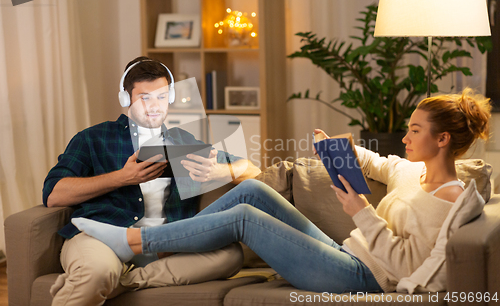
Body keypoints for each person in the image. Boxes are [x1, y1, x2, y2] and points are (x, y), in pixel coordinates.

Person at [71, 88, 491, 294]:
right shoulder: (409, 172)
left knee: (244, 219)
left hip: (364, 278)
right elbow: (373, 161)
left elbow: (405, 266)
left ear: (442, 141)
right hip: (349, 253)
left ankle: (133, 241)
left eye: (415, 131)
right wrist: (335, 148)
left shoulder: (449, 200)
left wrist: (362, 210)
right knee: (253, 191)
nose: (404, 137)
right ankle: (156, 245)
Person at [43, 56, 261, 305]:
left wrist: (221, 172)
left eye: (160, 96)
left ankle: (123, 281)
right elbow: (53, 194)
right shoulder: (93, 138)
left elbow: (252, 170)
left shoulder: (182, 140)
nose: (154, 106)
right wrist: (122, 178)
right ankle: (105, 277)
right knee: (98, 272)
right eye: (144, 97)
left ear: (170, 97)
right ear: (126, 99)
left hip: (164, 245)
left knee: (230, 255)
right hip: (102, 236)